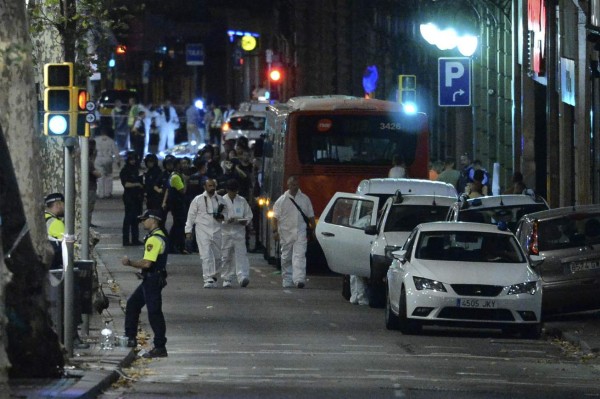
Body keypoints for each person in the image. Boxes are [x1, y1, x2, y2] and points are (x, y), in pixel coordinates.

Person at [44, 193, 90, 349]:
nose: (64, 208)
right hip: (58, 272)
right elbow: (68, 246)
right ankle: (72, 338)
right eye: (63, 204)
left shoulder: (41, 219)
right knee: (72, 301)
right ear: (57, 204)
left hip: (46, 272)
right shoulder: (56, 223)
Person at [121, 209, 169, 358]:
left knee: (154, 312)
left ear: (153, 220)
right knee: (133, 304)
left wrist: (130, 263)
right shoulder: (158, 236)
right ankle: (130, 338)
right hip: (151, 278)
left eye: (144, 219)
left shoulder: (154, 239)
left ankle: (160, 346)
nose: (142, 222)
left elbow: (147, 263)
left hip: (153, 279)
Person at [272, 176, 315, 289]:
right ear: (288, 185)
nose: (294, 187)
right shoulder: (282, 200)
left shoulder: (305, 199)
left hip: (300, 231)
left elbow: (311, 216)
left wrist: (313, 230)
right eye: (292, 184)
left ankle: (299, 279)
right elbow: (275, 217)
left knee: (299, 255)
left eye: (296, 184)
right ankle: (287, 279)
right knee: (286, 257)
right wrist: (275, 231)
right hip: (285, 233)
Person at [185, 178, 227, 288]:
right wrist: (188, 231)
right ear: (205, 187)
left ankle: (214, 276)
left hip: (217, 230)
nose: (212, 188)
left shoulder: (221, 200)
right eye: (210, 186)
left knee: (218, 256)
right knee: (206, 255)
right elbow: (191, 216)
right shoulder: (198, 200)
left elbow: (227, 214)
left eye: (213, 186)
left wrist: (222, 216)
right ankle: (207, 278)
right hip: (202, 230)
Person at [221, 179, 253, 288]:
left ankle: (243, 276)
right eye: (231, 191)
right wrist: (226, 221)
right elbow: (216, 217)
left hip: (239, 232)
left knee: (241, 255)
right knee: (226, 256)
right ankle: (227, 278)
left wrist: (244, 221)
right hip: (225, 232)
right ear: (227, 190)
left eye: (235, 191)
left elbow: (249, 215)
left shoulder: (242, 201)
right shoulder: (221, 201)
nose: (233, 194)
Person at [120, 151, 144, 246]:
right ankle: (126, 240)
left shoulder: (137, 170)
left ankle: (135, 239)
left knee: (136, 219)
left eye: (134, 159)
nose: (133, 161)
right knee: (128, 219)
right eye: (131, 159)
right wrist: (137, 184)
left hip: (137, 197)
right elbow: (126, 184)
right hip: (129, 197)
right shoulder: (125, 170)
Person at [166, 158, 187, 254]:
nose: (184, 166)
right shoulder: (176, 177)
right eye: (182, 164)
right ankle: (174, 246)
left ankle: (175, 246)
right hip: (177, 205)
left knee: (178, 225)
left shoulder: (174, 176)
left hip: (176, 204)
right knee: (178, 226)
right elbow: (183, 191)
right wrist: (186, 180)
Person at [95, 128, 121, 199]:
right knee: (108, 176)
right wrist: (117, 161)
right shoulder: (111, 141)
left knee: (100, 176)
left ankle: (101, 194)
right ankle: (108, 193)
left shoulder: (96, 140)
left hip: (98, 159)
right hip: (108, 159)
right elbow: (116, 152)